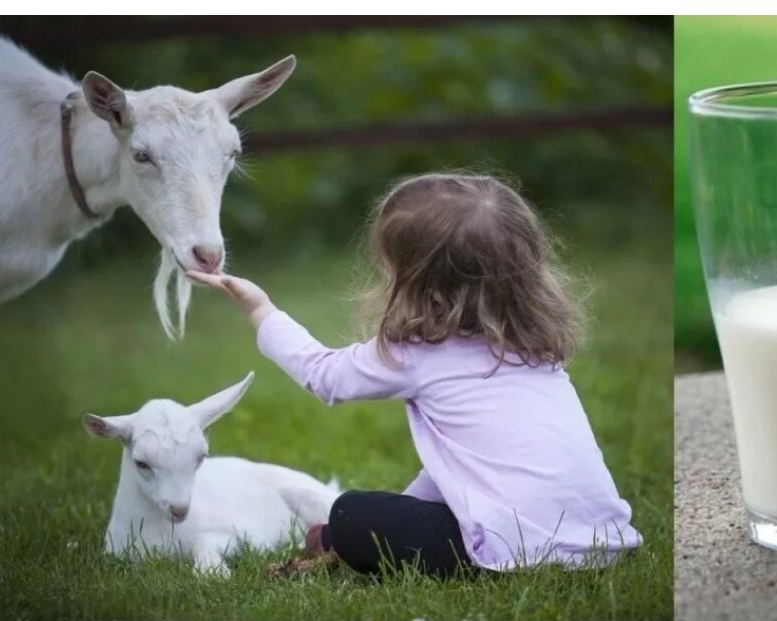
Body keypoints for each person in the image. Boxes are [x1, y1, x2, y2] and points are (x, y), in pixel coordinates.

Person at [188, 173, 641, 578]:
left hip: (514, 550)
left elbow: (324, 375)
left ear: (417, 281)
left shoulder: (418, 352)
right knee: (373, 515)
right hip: (599, 539)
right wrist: (406, 508)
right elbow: (461, 468)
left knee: (349, 514)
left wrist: (260, 308)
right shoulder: (536, 350)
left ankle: (338, 540)